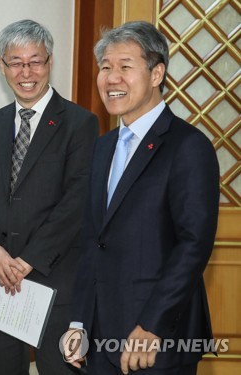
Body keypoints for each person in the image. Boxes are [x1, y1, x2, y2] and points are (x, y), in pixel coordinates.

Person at [62, 21, 220, 374]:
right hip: (100, 333)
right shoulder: (102, 147)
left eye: (125, 67)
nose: (112, 78)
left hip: (157, 337)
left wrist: (152, 325)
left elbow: (193, 244)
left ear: (156, 73)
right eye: (105, 67)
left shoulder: (188, 146)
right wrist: (78, 323)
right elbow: (92, 240)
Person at [0, 19, 99, 374]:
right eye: (16, 62)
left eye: (35, 61)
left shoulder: (80, 123)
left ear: (49, 62)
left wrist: (28, 260)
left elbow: (76, 202)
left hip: (55, 281)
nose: (26, 72)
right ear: (2, 66)